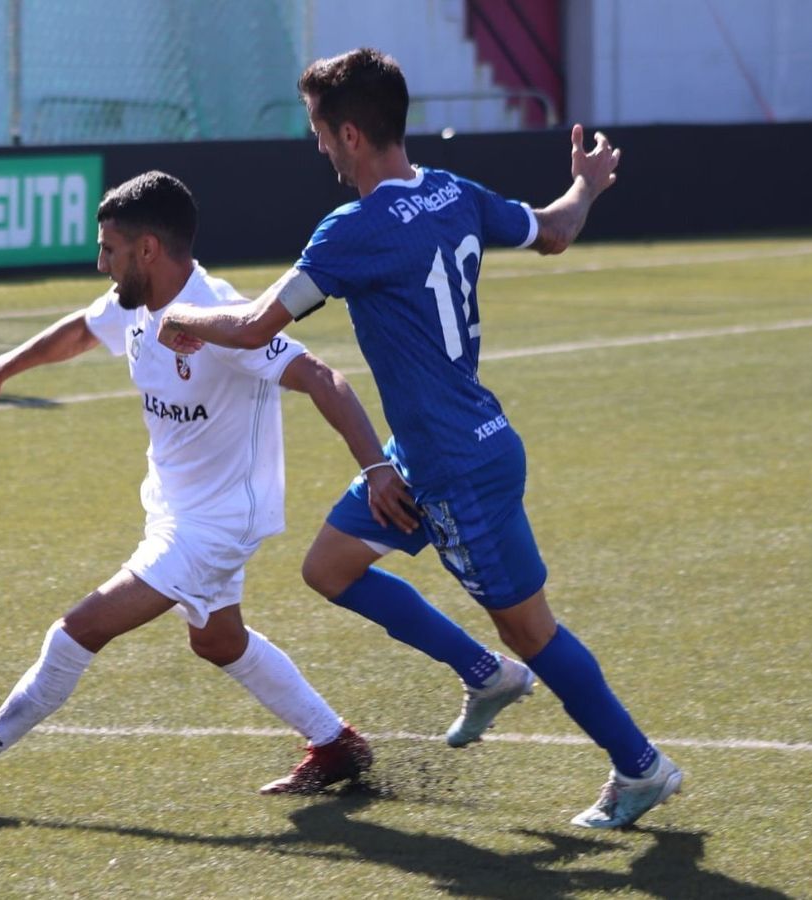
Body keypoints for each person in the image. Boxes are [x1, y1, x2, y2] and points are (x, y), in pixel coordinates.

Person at [156, 48, 682, 829]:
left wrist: (181, 319)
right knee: (330, 566)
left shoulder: (353, 229)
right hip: (427, 449)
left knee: (530, 629)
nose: (321, 150)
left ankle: (640, 767)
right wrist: (588, 183)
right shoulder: (453, 191)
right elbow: (556, 232)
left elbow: (254, 323)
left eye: (322, 135)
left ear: (350, 134)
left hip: (458, 467)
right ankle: (483, 674)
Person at [0, 171, 390, 802]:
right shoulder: (136, 302)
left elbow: (321, 377)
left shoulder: (226, 316)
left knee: (80, 628)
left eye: (109, 248)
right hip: (172, 508)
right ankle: (335, 743)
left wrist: (376, 469)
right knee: (217, 639)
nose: (100, 261)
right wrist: (0, 370)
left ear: (148, 249)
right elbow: (82, 327)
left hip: (218, 522)